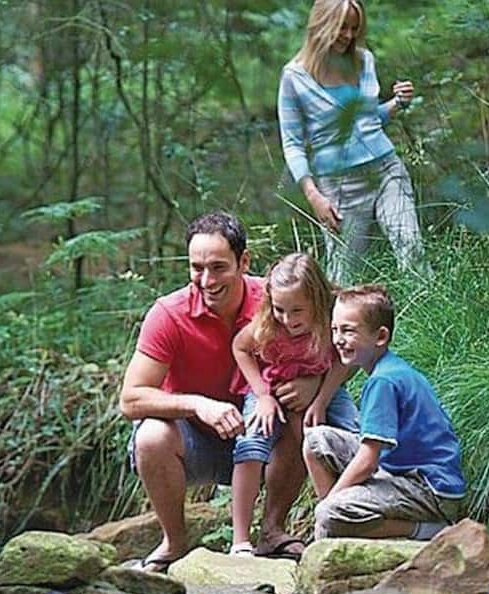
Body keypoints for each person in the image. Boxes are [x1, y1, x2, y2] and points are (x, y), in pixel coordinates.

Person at [119, 211, 359, 572]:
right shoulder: (168, 314)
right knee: (150, 436)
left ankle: (274, 531)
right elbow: (131, 399)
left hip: (265, 433)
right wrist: (198, 406)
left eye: (218, 267)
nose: (206, 279)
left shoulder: (279, 298)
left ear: (243, 261)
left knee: (299, 414)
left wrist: (316, 384)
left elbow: (346, 331)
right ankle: (175, 544)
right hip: (195, 445)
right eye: (196, 267)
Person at [278, 0, 430, 286]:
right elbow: (292, 143)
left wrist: (398, 103)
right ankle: (339, 329)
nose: (348, 35)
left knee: (411, 249)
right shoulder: (295, 77)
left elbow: (367, 120)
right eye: (341, 27)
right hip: (338, 186)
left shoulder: (364, 60)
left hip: (386, 170)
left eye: (353, 28)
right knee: (344, 276)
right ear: (321, 25)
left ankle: (435, 322)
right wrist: (314, 196)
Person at [304, 284, 465, 541]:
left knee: (329, 511)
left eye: (348, 330)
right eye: (335, 329)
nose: (338, 339)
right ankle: (338, 526)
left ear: (380, 337)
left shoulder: (384, 381)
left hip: (430, 490)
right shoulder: (386, 370)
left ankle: (428, 530)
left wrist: (333, 501)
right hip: (399, 471)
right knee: (316, 441)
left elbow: (368, 461)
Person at [229, 253, 351, 557]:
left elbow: (344, 360)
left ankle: (350, 519)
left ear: (318, 299)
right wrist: (264, 396)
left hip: (326, 386)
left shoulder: (332, 318)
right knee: (251, 442)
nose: (288, 319)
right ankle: (240, 539)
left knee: (355, 439)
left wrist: (321, 398)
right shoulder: (269, 323)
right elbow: (241, 348)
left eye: (297, 310)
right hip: (271, 387)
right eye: (280, 309)